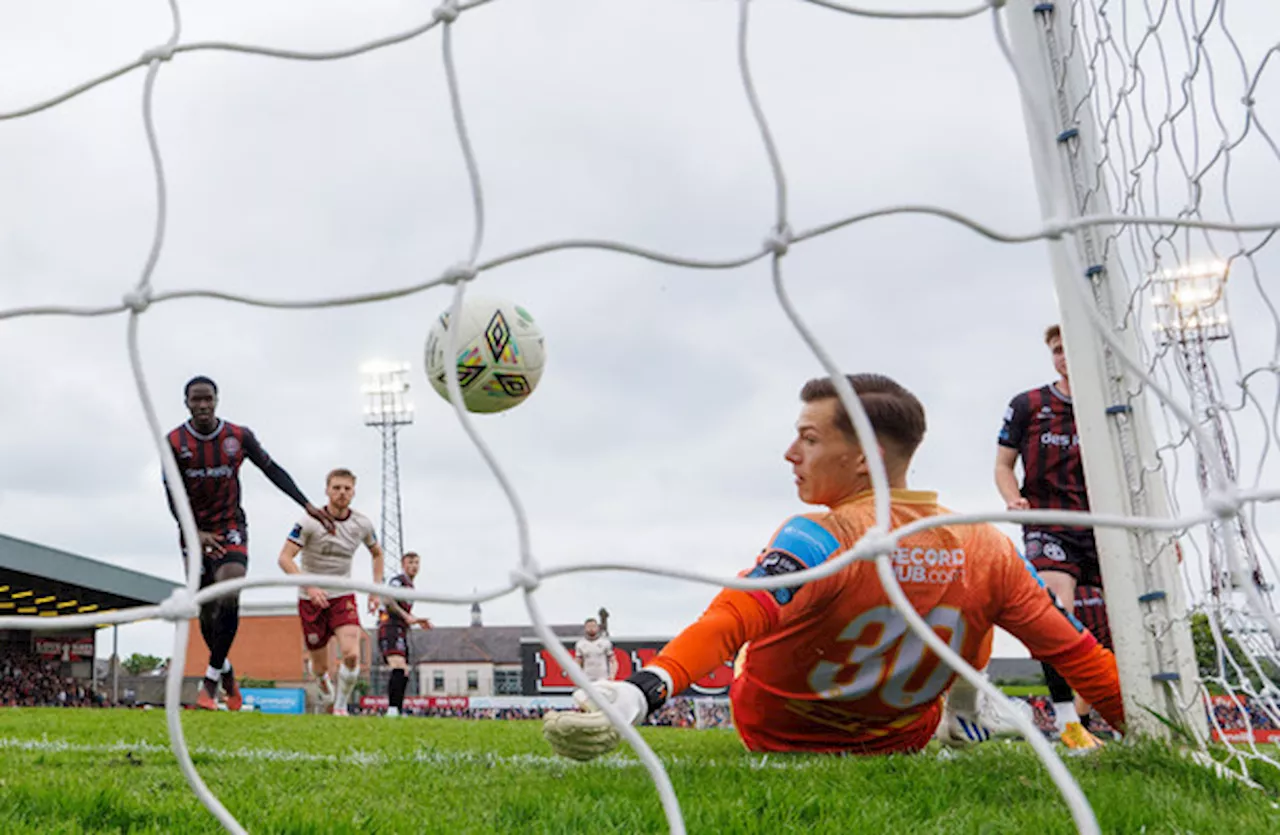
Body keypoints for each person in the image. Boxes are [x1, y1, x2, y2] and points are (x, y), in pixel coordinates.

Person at [543, 374, 1125, 760]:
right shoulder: (986, 543)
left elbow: (732, 616)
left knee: (759, 621)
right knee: (983, 603)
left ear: (862, 456)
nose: (791, 454)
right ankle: (966, 711)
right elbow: (1076, 654)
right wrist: (1157, 735)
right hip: (899, 740)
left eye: (808, 439)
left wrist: (647, 689)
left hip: (775, 736)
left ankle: (968, 711)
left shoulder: (826, 535)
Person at [166, 376, 333, 711]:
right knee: (206, 613)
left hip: (231, 528)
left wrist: (306, 504)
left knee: (228, 592)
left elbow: (272, 470)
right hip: (194, 532)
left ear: (217, 400)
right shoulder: (174, 441)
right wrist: (194, 533)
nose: (202, 406)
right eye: (195, 400)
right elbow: (172, 494)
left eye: (208, 399)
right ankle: (226, 671)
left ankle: (210, 682)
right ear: (186, 403)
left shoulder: (237, 437)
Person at [996, 325, 1111, 750]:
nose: (1065, 358)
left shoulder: (1111, 408)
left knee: (1116, 627)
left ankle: (1094, 717)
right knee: (1055, 615)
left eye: (1071, 349)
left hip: (1105, 527)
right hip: (1049, 524)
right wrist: (1013, 499)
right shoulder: (1028, 405)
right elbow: (1003, 465)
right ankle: (1068, 725)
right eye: (1058, 350)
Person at [278, 468, 382, 716]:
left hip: (342, 596)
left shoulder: (362, 523)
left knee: (351, 653)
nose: (342, 493)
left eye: (347, 488)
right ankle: (325, 687)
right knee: (320, 666)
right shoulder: (308, 522)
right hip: (310, 599)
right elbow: (284, 558)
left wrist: (375, 590)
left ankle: (341, 706)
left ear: (353, 492)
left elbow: (377, 553)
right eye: (336, 488)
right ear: (327, 490)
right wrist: (309, 586)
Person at [377, 551, 431, 717]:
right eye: (411, 563)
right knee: (398, 665)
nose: (414, 566)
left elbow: (404, 613)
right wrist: (406, 616)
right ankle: (392, 709)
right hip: (390, 628)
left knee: (404, 670)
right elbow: (388, 599)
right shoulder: (398, 582)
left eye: (417, 563)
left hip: (400, 629)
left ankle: (398, 709)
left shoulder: (410, 587)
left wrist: (415, 619)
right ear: (403, 564)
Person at [574, 618, 618, 682]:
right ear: (585, 628)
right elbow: (577, 662)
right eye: (589, 627)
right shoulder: (580, 644)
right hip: (587, 679)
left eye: (593, 626)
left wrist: (612, 676)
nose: (591, 629)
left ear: (598, 628)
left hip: (603, 678)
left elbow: (613, 661)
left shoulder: (605, 642)